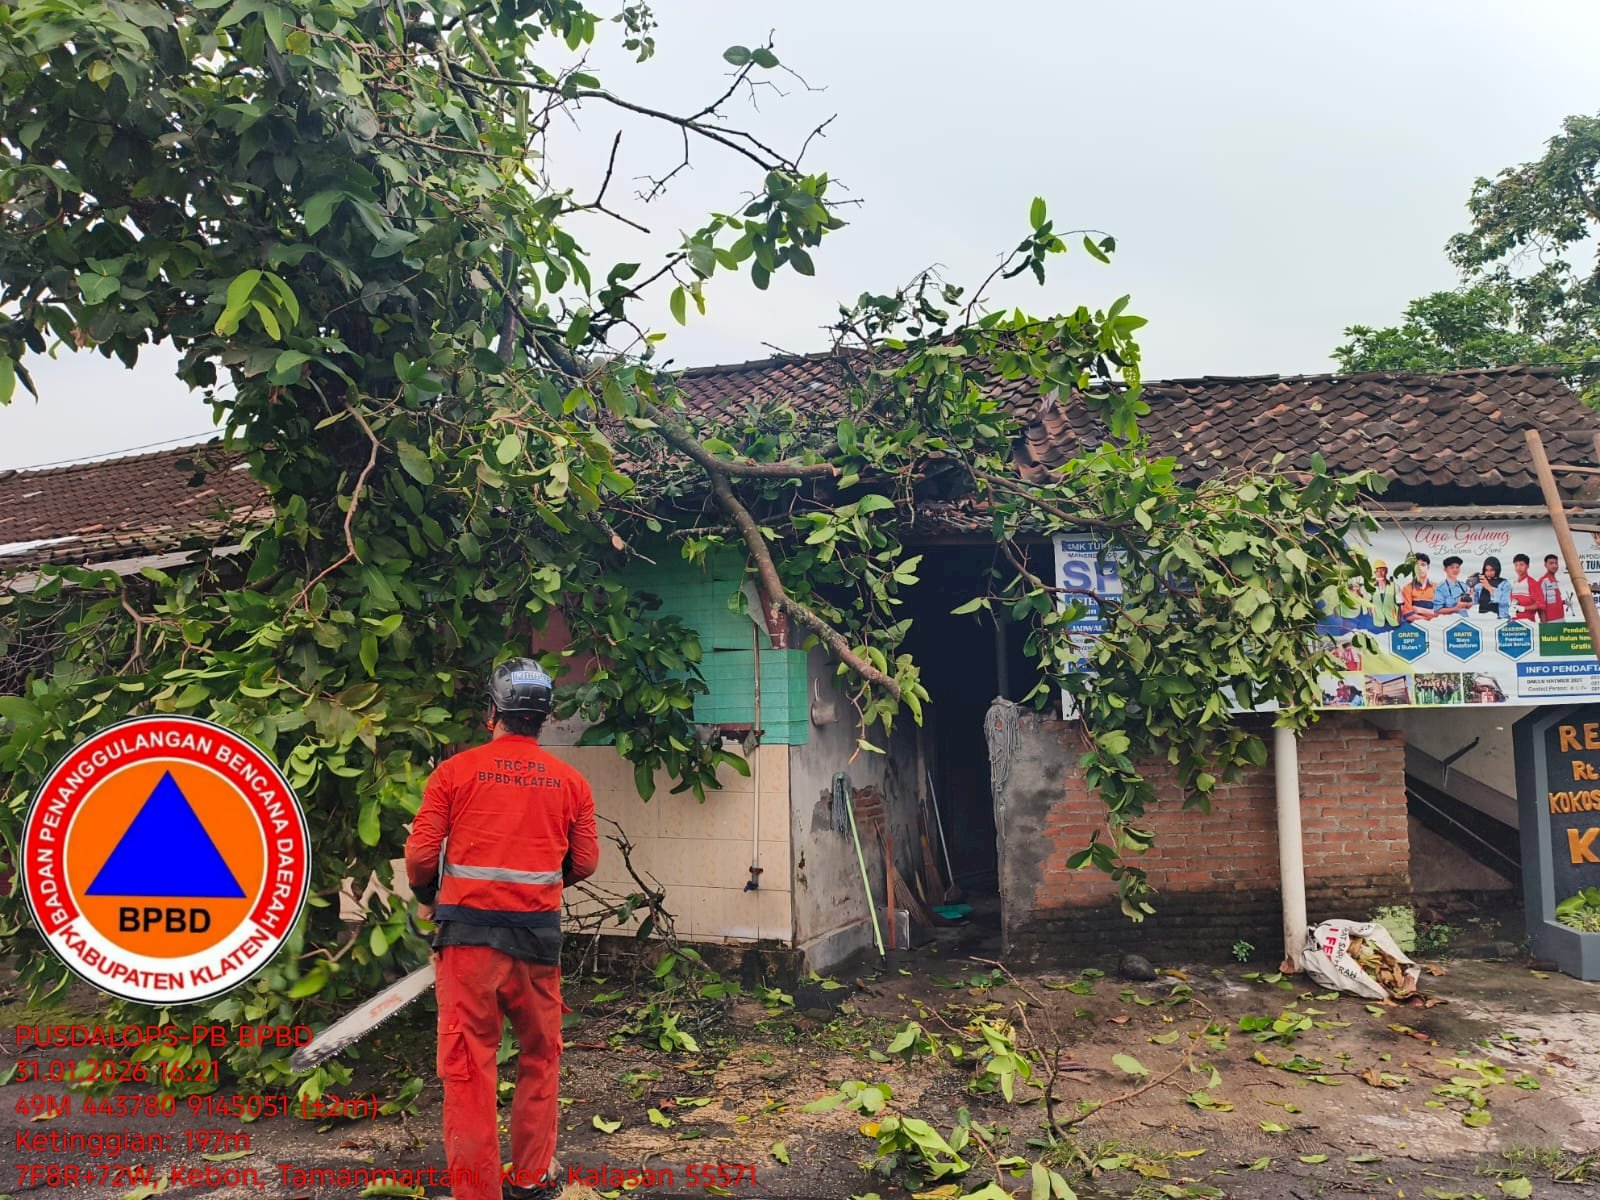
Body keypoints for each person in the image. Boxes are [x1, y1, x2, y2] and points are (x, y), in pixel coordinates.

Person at [405, 658, 599, 1200]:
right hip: (537, 941)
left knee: (469, 1070)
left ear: (492, 712)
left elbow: (421, 854)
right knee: (540, 1056)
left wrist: (430, 896)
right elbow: (584, 863)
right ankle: (533, 1179)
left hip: (468, 947)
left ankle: (477, 1193)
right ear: (544, 719)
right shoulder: (572, 783)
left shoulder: (453, 773)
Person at [1399, 553, 1436, 622]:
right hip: (1416, 629)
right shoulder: (1407, 588)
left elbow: (1442, 612)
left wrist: (1418, 609)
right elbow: (1408, 615)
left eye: (1423, 564)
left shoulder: (1437, 587)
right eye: (1416, 565)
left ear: (1428, 567)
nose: (1419, 568)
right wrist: (1430, 616)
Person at [1509, 553, 1540, 621]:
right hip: (1513, 623)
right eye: (1516, 565)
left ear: (1527, 566)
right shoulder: (1513, 583)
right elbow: (1512, 603)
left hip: (1528, 624)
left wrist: (1524, 608)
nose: (1518, 568)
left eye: (1521, 565)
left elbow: (1539, 604)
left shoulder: (1532, 583)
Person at [1540, 553, 1567, 622]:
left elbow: (1551, 600)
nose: (1554, 566)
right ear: (1545, 565)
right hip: (1550, 621)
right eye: (1551, 563)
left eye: (1556, 563)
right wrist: (1544, 624)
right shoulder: (1543, 581)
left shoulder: (1555, 581)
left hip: (1561, 618)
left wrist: (1563, 602)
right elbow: (1540, 605)